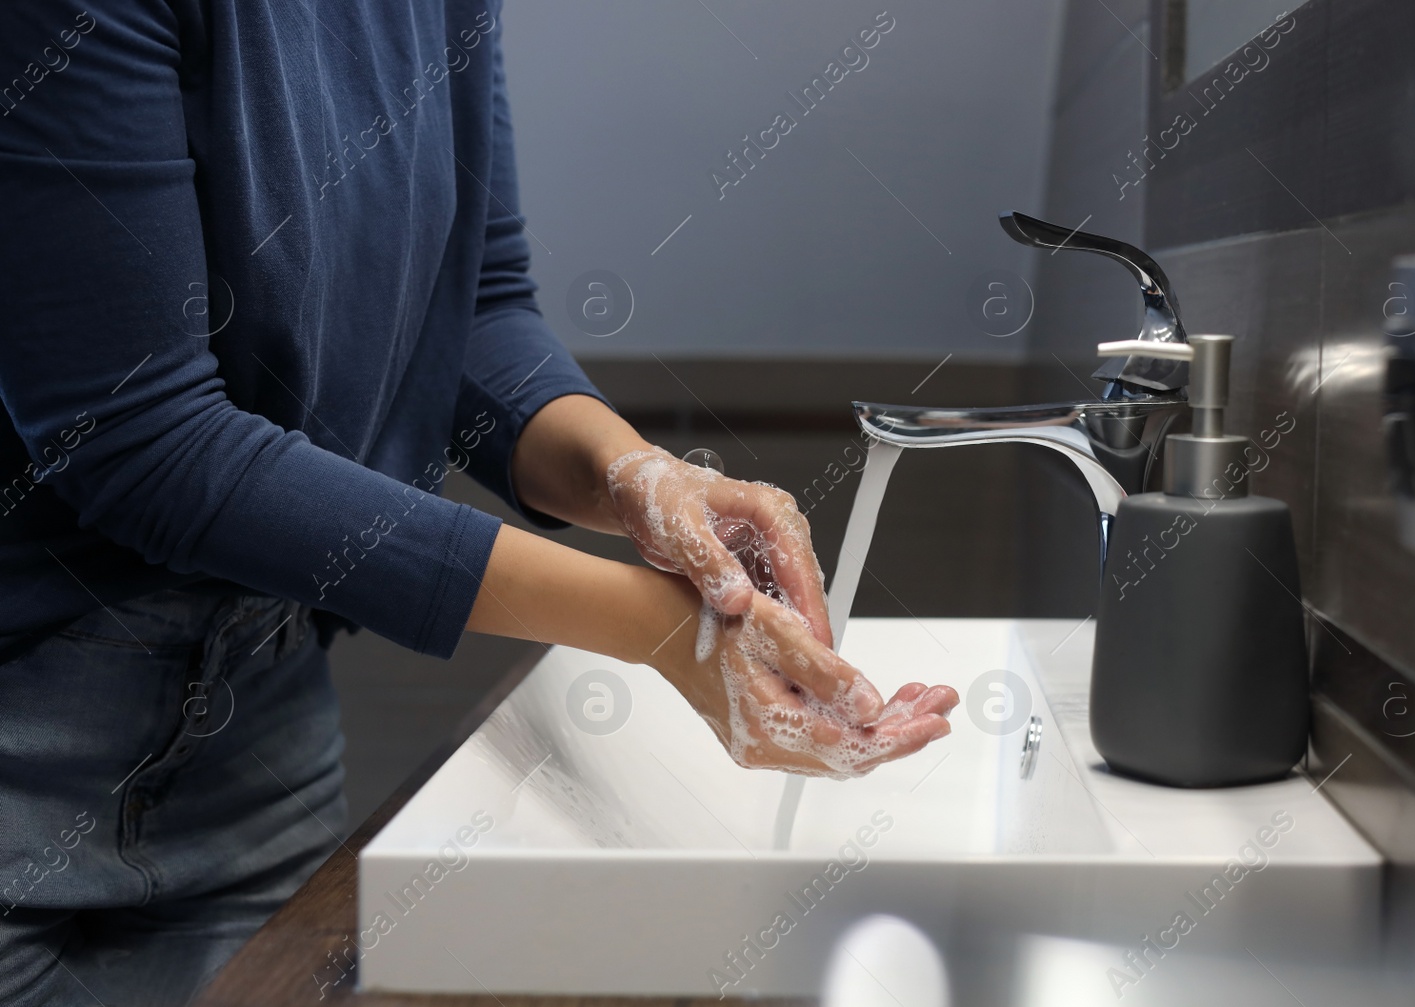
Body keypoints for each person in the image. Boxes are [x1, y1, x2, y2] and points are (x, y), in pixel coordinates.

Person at [0, 3, 958, 1003]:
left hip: (254, 735)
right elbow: (141, 440)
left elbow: (476, 309)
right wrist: (658, 627)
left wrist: (632, 472)